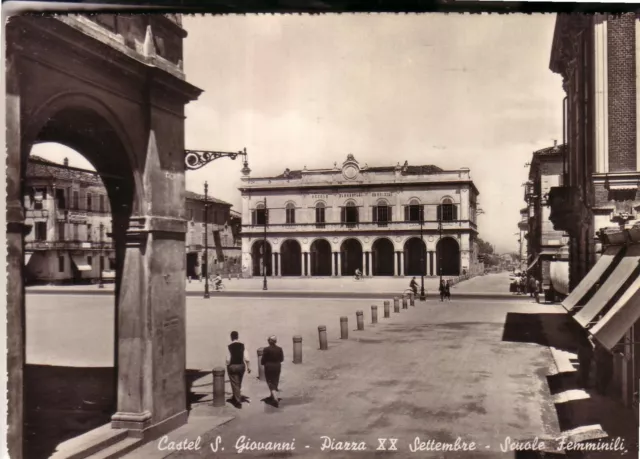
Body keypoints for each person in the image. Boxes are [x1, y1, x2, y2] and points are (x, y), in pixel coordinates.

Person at [225, 331, 251, 408]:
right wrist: (248, 367)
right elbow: (247, 358)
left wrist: (228, 365)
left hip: (233, 366)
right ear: (237, 336)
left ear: (231, 337)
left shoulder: (229, 346)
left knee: (235, 383)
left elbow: (228, 360)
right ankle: (235, 396)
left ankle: (238, 402)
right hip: (241, 366)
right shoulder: (242, 345)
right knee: (238, 382)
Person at [261, 335, 284, 407]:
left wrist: (263, 363)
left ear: (270, 341)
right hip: (277, 366)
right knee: (275, 381)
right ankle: (272, 396)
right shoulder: (279, 349)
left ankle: (275, 397)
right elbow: (282, 359)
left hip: (269, 367)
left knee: (270, 382)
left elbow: (263, 360)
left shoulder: (266, 349)